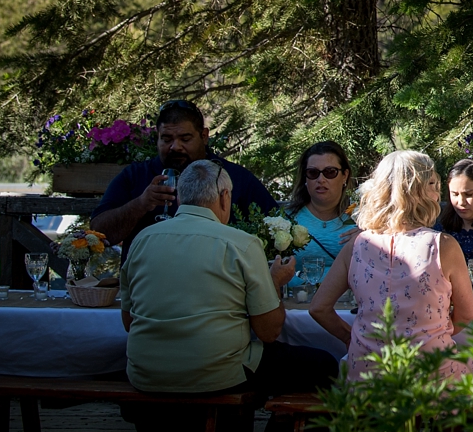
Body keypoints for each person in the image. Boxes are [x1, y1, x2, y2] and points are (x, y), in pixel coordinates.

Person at [118, 159, 335, 397]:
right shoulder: (240, 243)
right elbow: (269, 332)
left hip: (145, 373)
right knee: (323, 364)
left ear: (180, 198)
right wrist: (273, 282)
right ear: (224, 197)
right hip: (217, 375)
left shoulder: (142, 240)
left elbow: (129, 322)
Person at [309, 150, 473, 379]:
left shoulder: (358, 244)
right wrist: (428, 337)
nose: (438, 193)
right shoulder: (443, 246)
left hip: (368, 380)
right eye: (434, 184)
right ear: (422, 190)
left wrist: (351, 338)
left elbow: (318, 307)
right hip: (431, 378)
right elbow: (466, 316)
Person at [92, 99, 274, 258]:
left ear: (204, 136)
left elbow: (274, 228)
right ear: (157, 138)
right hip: (148, 288)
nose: (175, 147)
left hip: (218, 287)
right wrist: (141, 204)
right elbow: (99, 234)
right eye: (167, 139)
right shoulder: (135, 176)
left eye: (185, 139)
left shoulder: (234, 177)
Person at [290, 140, 360, 281]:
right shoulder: (285, 220)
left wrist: (369, 237)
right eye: (313, 173)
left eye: (330, 172)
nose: (321, 179)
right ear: (305, 177)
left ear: (344, 175)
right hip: (296, 300)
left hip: (349, 302)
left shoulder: (364, 217)